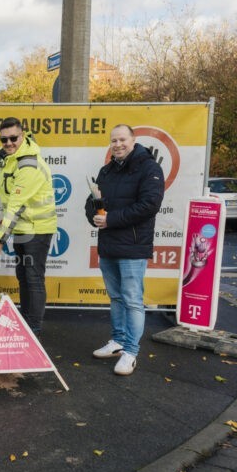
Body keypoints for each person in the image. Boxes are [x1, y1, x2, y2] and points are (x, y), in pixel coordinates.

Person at [85, 124, 165, 376]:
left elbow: (149, 205)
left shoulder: (149, 167)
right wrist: (94, 217)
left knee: (132, 300)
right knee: (116, 297)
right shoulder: (107, 170)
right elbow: (92, 201)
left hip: (132, 246)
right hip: (109, 244)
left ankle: (131, 351)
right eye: (113, 141)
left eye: (122, 140)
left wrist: (111, 219)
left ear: (133, 140)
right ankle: (118, 341)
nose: (117, 145)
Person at [0, 117, 57, 335]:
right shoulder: (11, 160)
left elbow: (15, 206)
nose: (8, 143)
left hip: (38, 229)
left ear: (22, 136)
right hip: (23, 229)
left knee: (33, 278)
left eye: (13, 138)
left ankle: (32, 328)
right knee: (23, 276)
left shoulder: (28, 164)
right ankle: (26, 322)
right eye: (4, 139)